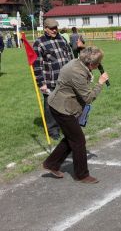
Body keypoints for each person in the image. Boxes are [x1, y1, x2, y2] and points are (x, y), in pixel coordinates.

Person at [42, 46, 109, 183]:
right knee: (78, 140)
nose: (99, 65)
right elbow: (88, 98)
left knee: (71, 137)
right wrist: (100, 83)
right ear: (90, 64)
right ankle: (82, 175)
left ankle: (51, 163)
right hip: (62, 108)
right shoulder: (77, 73)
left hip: (65, 105)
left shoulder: (78, 63)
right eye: (98, 63)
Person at [33, 18, 74, 140]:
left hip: (66, 79)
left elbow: (70, 56)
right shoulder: (39, 43)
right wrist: (41, 83)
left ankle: (66, 126)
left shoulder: (62, 39)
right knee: (50, 107)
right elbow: (37, 65)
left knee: (67, 103)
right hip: (50, 81)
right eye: (51, 28)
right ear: (45, 28)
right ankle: (53, 130)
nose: (54, 30)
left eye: (56, 27)